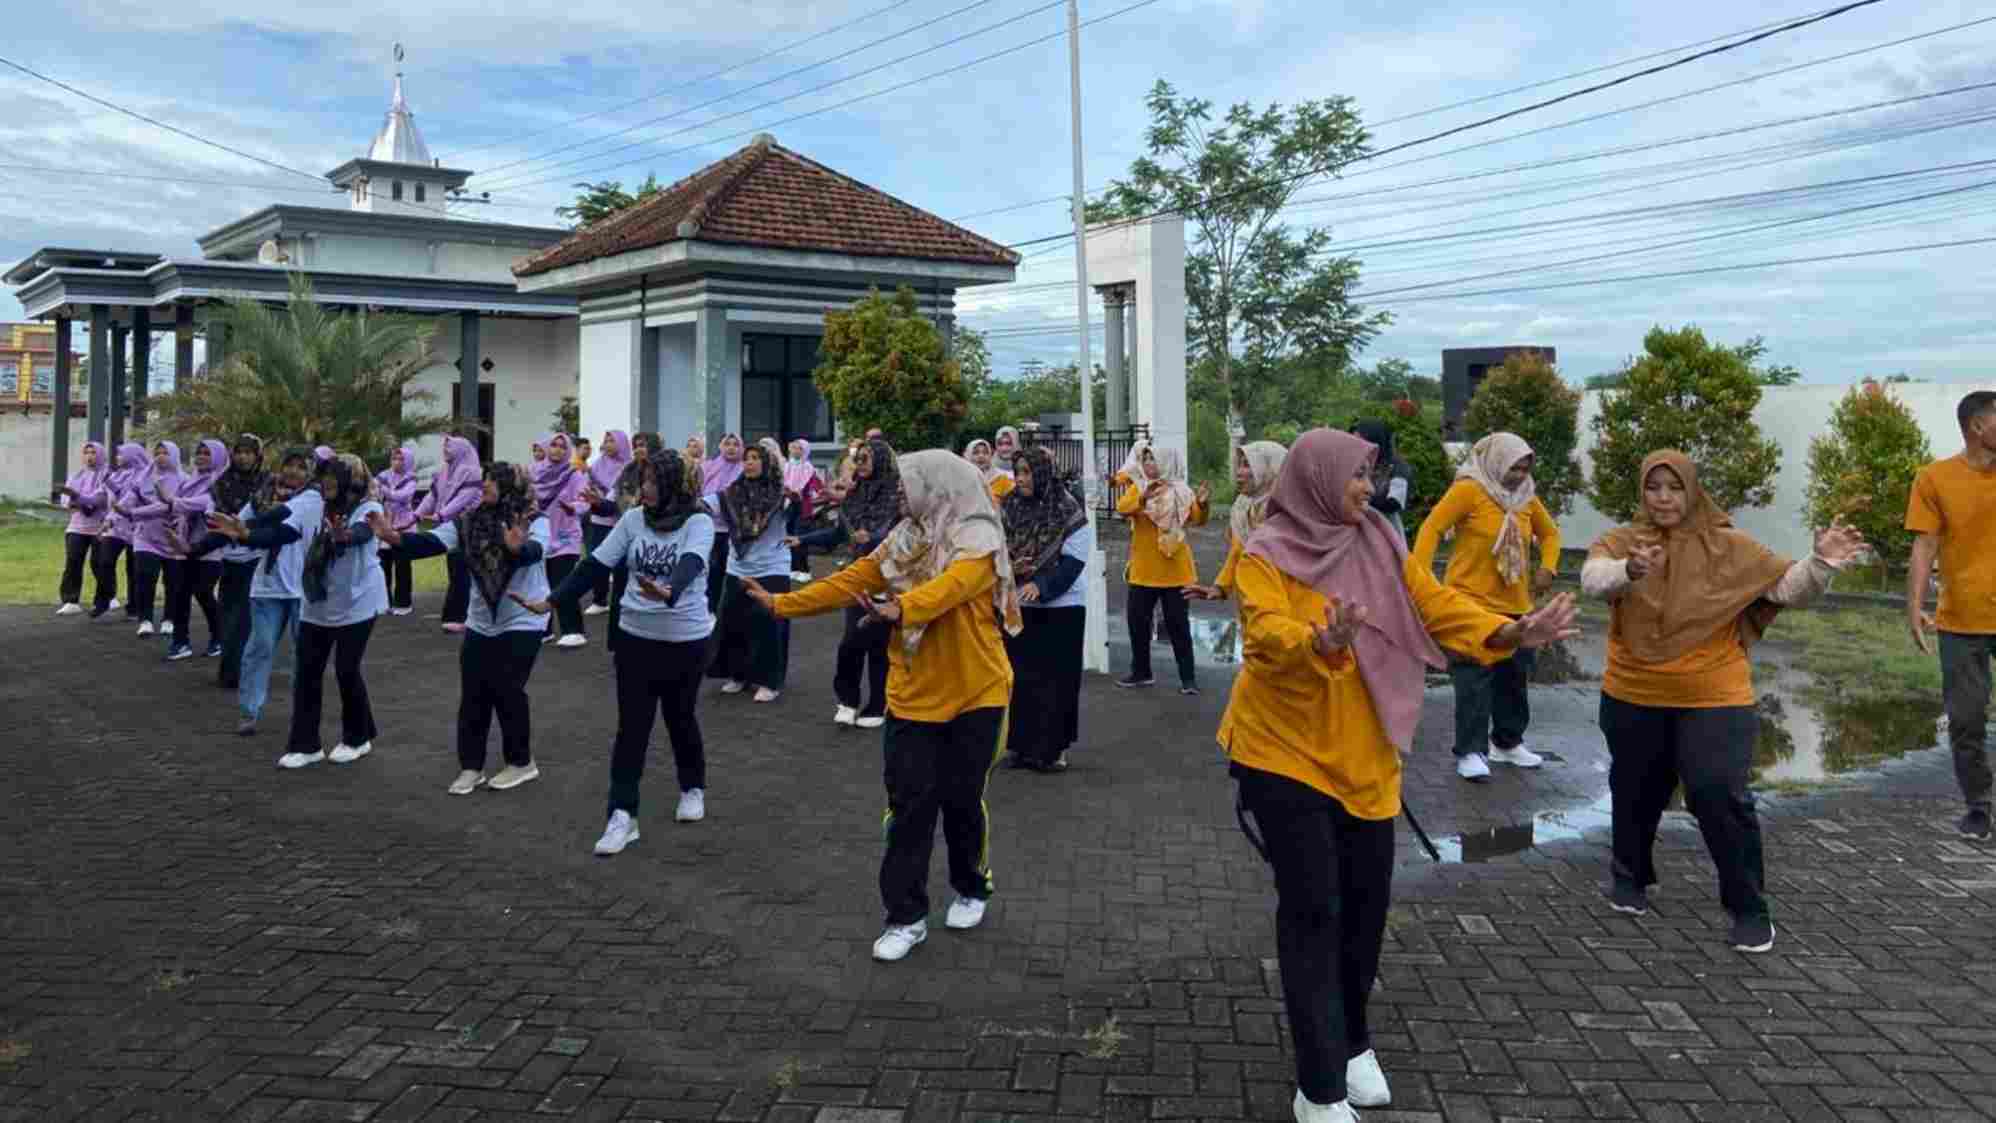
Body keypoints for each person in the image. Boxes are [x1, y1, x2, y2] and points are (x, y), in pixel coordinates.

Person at [1221, 428, 1580, 1121]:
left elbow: (1434, 603)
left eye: (1371, 474)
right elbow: (1263, 635)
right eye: (1356, 475)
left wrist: (1507, 632)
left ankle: (1352, 1040)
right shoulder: (1266, 551)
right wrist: (1317, 640)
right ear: (1318, 479)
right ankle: (1318, 1087)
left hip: (1366, 756)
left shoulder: (1380, 539)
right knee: (1314, 907)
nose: (1368, 487)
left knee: (1364, 911)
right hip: (1281, 750)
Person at [743, 450, 1023, 962]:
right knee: (909, 807)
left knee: (961, 800)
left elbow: (953, 586)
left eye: (906, 482)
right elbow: (851, 581)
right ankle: (905, 917)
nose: (898, 490)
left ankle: (970, 886)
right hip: (913, 695)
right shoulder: (903, 541)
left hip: (976, 693)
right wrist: (783, 605)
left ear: (936, 485)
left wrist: (902, 607)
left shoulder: (978, 538)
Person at [1583, 450, 1862, 953]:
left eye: (1675, 487)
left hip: (1715, 692)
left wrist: (1821, 563)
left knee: (1717, 792)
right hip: (1633, 690)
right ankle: (1630, 875)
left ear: (1693, 491)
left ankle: (1749, 908)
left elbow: (1787, 588)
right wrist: (1630, 568)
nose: (1663, 498)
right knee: (1635, 789)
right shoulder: (1624, 541)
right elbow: (1592, 579)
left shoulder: (1730, 545)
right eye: (1653, 487)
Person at [519, 450, 716, 851]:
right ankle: (622, 815)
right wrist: (551, 602)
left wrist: (670, 590)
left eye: (652, 481)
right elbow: (595, 565)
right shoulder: (633, 519)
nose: (644, 488)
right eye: (643, 480)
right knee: (633, 727)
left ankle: (692, 786)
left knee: (680, 717)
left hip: (685, 639)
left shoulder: (698, 521)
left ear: (672, 485)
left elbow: (692, 562)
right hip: (635, 637)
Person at [371, 464, 551, 795]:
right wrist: (392, 536)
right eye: (486, 478)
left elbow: (535, 552)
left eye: (493, 480)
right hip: (481, 619)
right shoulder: (468, 522)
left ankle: (521, 762)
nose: (485, 484)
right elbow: (431, 542)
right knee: (474, 692)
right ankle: (471, 768)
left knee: (507, 687)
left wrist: (517, 547)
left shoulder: (534, 519)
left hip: (524, 616)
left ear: (510, 486)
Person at [1412, 433, 1564, 783]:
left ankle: (1507, 743)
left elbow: (1550, 534)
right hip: (1470, 602)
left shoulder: (1526, 498)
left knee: (1514, 678)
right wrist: (1421, 577)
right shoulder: (1469, 490)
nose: (1519, 475)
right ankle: (1470, 751)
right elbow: (1432, 528)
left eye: (1525, 468)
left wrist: (1548, 567)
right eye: (1513, 468)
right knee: (1473, 680)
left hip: (1515, 604)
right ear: (1496, 463)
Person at [1906, 390, 1996, 840]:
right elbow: (1925, 545)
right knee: (1966, 721)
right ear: (1978, 427)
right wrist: (1913, 605)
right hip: (1962, 621)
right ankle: (1979, 808)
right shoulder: (1935, 478)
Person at [205, 447, 323, 736]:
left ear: (311, 472)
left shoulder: (314, 499)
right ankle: (249, 712)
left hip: (303, 588)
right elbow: (236, 526)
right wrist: (193, 548)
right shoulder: (263, 495)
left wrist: (248, 533)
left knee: (304, 654)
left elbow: (275, 530)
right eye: (289, 465)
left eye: (301, 466)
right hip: (267, 586)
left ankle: (303, 713)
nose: (293, 471)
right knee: (259, 648)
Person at [279, 454, 387, 770]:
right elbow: (281, 529)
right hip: (318, 600)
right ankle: (305, 745)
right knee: (307, 671)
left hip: (359, 600)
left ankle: (357, 738)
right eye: (323, 474)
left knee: (346, 668)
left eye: (334, 475)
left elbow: (362, 533)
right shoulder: (314, 505)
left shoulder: (368, 508)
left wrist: (343, 536)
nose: (326, 481)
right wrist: (245, 533)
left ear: (350, 480)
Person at [791, 436, 901, 728]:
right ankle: (848, 700)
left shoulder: (897, 495)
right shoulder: (854, 495)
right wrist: (802, 540)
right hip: (857, 576)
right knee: (851, 641)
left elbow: (901, 535)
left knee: (879, 645)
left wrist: (873, 538)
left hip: (887, 577)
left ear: (880, 460)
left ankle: (878, 704)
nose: (860, 464)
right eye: (857, 458)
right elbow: (838, 534)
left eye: (866, 458)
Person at [999, 446, 1090, 772]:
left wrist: (1042, 585)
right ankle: (1021, 747)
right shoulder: (1009, 505)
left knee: (1057, 680)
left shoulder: (1066, 507)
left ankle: (1053, 750)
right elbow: (998, 549)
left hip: (1062, 605)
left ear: (1041, 473)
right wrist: (1011, 567)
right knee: (1022, 677)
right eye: (1017, 472)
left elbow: (1075, 559)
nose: (1021, 478)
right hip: (1020, 602)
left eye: (1027, 472)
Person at [1114, 440, 1210, 694]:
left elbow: (1197, 519)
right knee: (1138, 624)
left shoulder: (1181, 491)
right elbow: (1122, 509)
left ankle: (1188, 680)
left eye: (1152, 459)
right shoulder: (1139, 487)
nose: (1147, 464)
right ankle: (1141, 672)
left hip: (1175, 572)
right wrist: (1143, 498)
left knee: (1178, 626)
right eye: (1145, 459)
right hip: (1143, 571)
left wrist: (1202, 503)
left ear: (1166, 463)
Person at [711, 438, 793, 702]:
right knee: (733, 621)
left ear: (766, 463)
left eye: (756, 458)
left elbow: (800, 511)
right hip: (738, 566)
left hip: (772, 566)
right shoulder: (732, 492)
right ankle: (738, 675)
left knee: (769, 623)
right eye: (746, 458)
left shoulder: (780, 494)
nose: (749, 463)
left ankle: (770, 681)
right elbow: (707, 503)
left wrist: (797, 501)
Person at [1186, 440, 1286, 605]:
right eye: (1239, 465)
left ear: (1270, 469)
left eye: (1247, 465)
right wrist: (1220, 587)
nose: (1239, 472)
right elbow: (1237, 551)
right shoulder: (1242, 507)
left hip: (1283, 609)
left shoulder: (1289, 511)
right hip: (1250, 605)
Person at [207, 436, 270, 687]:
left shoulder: (267, 481)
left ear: (257, 456)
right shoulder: (222, 482)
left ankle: (237, 671)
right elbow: (216, 517)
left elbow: (268, 514)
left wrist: (245, 528)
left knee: (244, 617)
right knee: (227, 613)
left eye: (248, 452)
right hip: (228, 554)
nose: (243, 457)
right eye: (239, 452)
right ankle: (229, 666)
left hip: (255, 555)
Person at [162, 439, 228, 661]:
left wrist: (174, 502)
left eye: (207, 453)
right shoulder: (190, 481)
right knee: (180, 593)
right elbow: (178, 506)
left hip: (211, 547)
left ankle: (219, 638)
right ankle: (180, 642)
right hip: (185, 545)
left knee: (203, 591)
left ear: (218, 457)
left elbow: (204, 503)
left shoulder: (221, 483)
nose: (201, 457)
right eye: (199, 452)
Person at [415, 436, 483, 634]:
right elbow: (433, 496)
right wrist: (416, 514)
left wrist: (440, 514)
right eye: (444, 447)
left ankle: (461, 617)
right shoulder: (445, 471)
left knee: (463, 572)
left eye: (449, 447)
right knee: (456, 571)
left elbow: (464, 499)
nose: (445, 450)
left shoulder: (472, 471)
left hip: (470, 528)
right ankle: (454, 616)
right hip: (451, 527)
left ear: (461, 449)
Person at [119, 440, 185, 644]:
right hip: (145, 537)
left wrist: (134, 513)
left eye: (165, 452)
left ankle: (169, 619)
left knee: (173, 581)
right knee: (145, 576)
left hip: (174, 539)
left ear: (174, 455)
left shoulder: (184, 480)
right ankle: (145, 619)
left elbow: (169, 507)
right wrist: (119, 510)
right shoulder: (144, 477)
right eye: (157, 453)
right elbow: (129, 498)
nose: (160, 456)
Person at [531, 432, 591, 648]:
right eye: (554, 445)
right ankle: (543, 629)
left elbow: (585, 502)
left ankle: (573, 630)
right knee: (540, 586)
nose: (557, 449)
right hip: (540, 536)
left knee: (562, 583)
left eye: (562, 446)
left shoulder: (574, 475)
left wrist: (572, 507)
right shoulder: (536, 472)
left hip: (566, 538)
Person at [54, 440, 112, 616]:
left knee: (100, 563)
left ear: (100, 454)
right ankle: (71, 600)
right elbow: (66, 500)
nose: (89, 456)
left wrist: (79, 500)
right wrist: (79, 502)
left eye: (93, 453)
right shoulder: (76, 476)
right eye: (86, 453)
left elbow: (100, 500)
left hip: (100, 526)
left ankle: (107, 596)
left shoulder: (108, 475)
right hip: (77, 527)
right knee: (73, 562)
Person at [94, 443, 147, 621]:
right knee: (104, 562)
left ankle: (134, 607)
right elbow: (109, 496)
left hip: (136, 528)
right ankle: (104, 601)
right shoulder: (117, 475)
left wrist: (111, 517)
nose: (117, 458)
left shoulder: (144, 475)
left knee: (134, 570)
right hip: (115, 526)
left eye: (121, 454)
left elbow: (127, 499)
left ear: (132, 456)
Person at [583, 430, 631, 616]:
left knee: (621, 564)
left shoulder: (628, 467)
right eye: (606, 440)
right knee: (597, 559)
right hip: (598, 520)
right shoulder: (596, 465)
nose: (608, 444)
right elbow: (588, 486)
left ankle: (622, 601)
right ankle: (599, 599)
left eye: (612, 441)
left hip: (620, 521)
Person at [701, 433, 747, 614]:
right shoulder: (709, 467)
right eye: (727, 444)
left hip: (733, 529)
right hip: (709, 527)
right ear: (720, 447)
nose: (731, 448)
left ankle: (729, 612)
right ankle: (710, 610)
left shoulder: (744, 470)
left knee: (731, 572)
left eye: (736, 444)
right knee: (710, 571)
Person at [1351, 420, 1413, 544]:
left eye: (1359, 441)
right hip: (1356, 531)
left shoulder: (1398, 467)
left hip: (1386, 530)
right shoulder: (1355, 463)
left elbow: (1394, 502)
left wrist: (1362, 499)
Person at [376, 445, 421, 617]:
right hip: (385, 525)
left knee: (402, 566)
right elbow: (373, 489)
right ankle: (383, 602)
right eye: (394, 458)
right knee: (383, 566)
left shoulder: (411, 478)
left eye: (401, 459)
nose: (397, 462)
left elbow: (403, 496)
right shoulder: (383, 475)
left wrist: (383, 490)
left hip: (404, 527)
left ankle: (403, 603)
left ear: (408, 461)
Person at [782, 438, 823, 582]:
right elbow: (783, 482)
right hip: (789, 505)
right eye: (793, 448)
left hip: (803, 506)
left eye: (799, 448)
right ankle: (793, 568)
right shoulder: (787, 466)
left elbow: (817, 487)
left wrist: (804, 492)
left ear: (805, 451)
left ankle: (804, 569)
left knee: (800, 537)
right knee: (789, 535)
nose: (795, 451)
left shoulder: (809, 468)